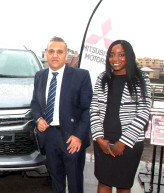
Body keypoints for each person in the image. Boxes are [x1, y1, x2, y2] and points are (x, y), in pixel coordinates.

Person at [31, 36, 93, 193]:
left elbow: (88, 109)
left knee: (75, 183)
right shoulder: (40, 76)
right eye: (51, 51)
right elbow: (35, 103)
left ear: (67, 55)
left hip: (72, 138)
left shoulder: (81, 76)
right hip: (49, 137)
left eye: (60, 51)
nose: (55, 55)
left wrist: (79, 136)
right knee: (56, 180)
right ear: (46, 54)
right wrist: (38, 119)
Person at [90, 40, 151, 193]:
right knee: (104, 182)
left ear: (129, 56)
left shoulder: (141, 79)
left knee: (123, 186)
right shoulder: (102, 78)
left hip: (129, 144)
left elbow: (144, 111)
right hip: (103, 141)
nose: (115, 59)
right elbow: (94, 109)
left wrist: (123, 142)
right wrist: (99, 139)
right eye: (111, 55)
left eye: (121, 55)